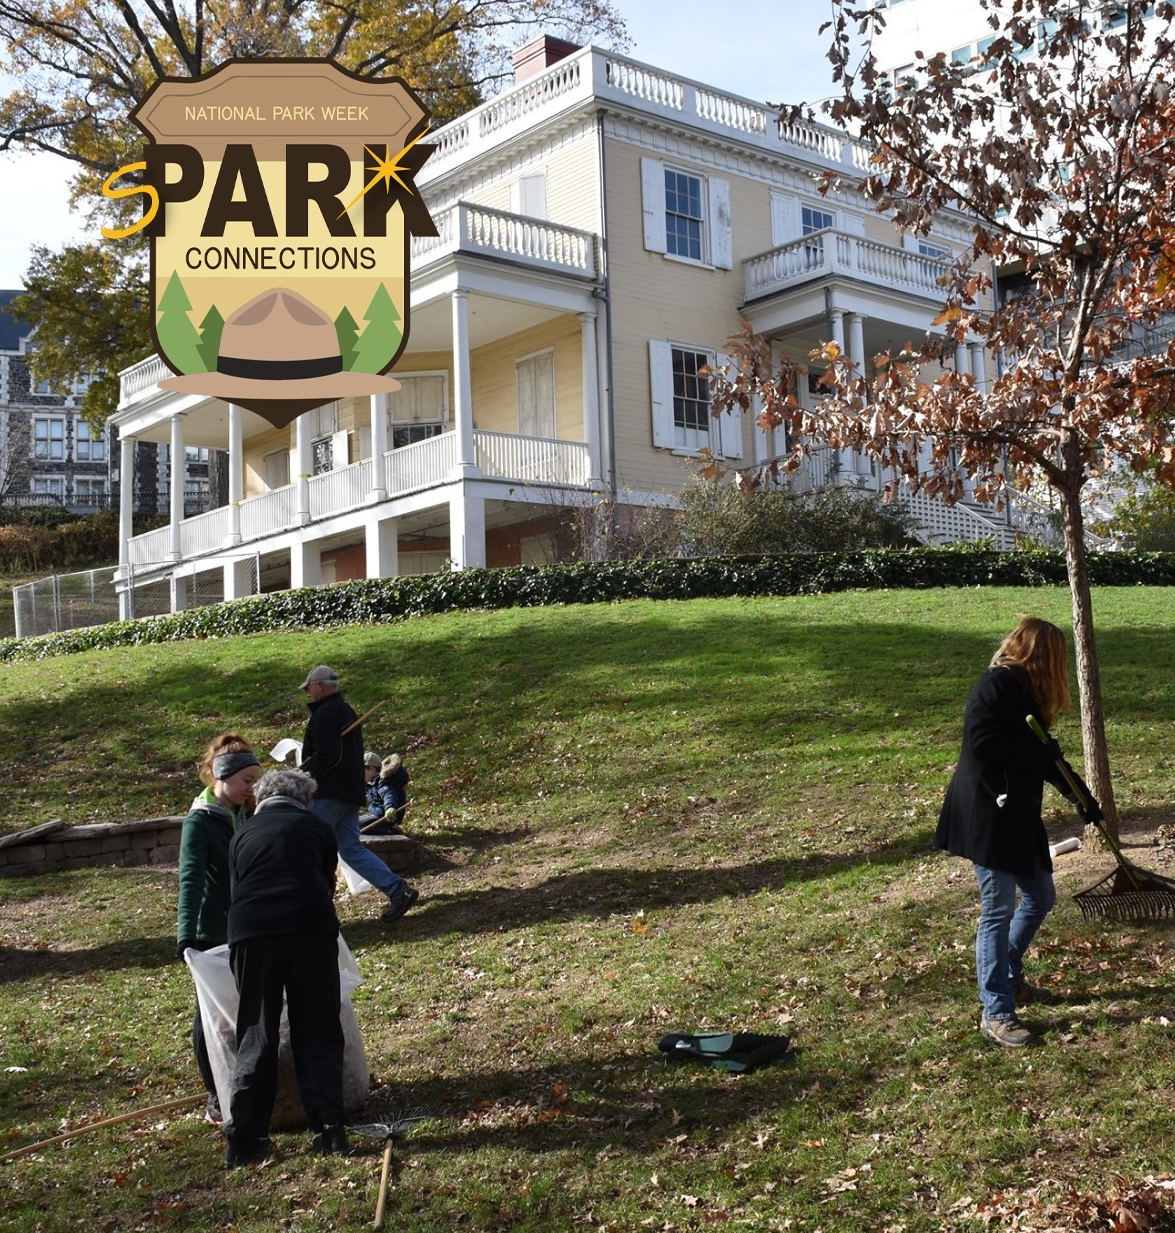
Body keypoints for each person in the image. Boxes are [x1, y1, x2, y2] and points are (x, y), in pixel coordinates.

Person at [936, 617, 1101, 1048]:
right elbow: (981, 741)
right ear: (1038, 653)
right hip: (988, 814)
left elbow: (1046, 760)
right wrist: (1037, 751)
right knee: (997, 909)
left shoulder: (1026, 690)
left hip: (1017, 816)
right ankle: (997, 1011)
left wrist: (1082, 799)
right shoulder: (998, 684)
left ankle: (1009, 978)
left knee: (1041, 896)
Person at [222, 768, 349, 1166]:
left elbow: (237, 885)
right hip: (309, 928)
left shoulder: (242, 834)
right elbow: (326, 883)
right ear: (303, 800)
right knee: (318, 1026)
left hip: (251, 934)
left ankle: (244, 1138)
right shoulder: (316, 827)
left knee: (256, 1029)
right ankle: (329, 1129)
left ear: (261, 799)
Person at [176, 734, 262, 1123]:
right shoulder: (200, 822)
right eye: (247, 780)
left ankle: (249, 1079)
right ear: (222, 778)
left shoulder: (246, 813)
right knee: (211, 1014)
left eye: (256, 779)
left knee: (248, 1007)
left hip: (247, 924)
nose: (253, 788)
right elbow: (190, 879)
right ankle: (215, 1091)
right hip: (211, 931)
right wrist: (185, 936)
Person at [299, 665, 419, 923]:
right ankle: (398, 890)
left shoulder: (325, 714)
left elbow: (328, 756)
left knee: (309, 847)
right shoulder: (344, 710)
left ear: (319, 686)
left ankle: (315, 910)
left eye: (309, 687)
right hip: (349, 794)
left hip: (328, 794)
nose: (308, 692)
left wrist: (302, 771)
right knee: (351, 849)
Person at [360, 751, 410, 835]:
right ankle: (389, 828)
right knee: (352, 823)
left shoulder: (382, 782)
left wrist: (389, 807)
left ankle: (390, 830)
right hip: (377, 815)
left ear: (371, 769)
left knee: (356, 826)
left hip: (384, 817)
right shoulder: (373, 783)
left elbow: (389, 794)